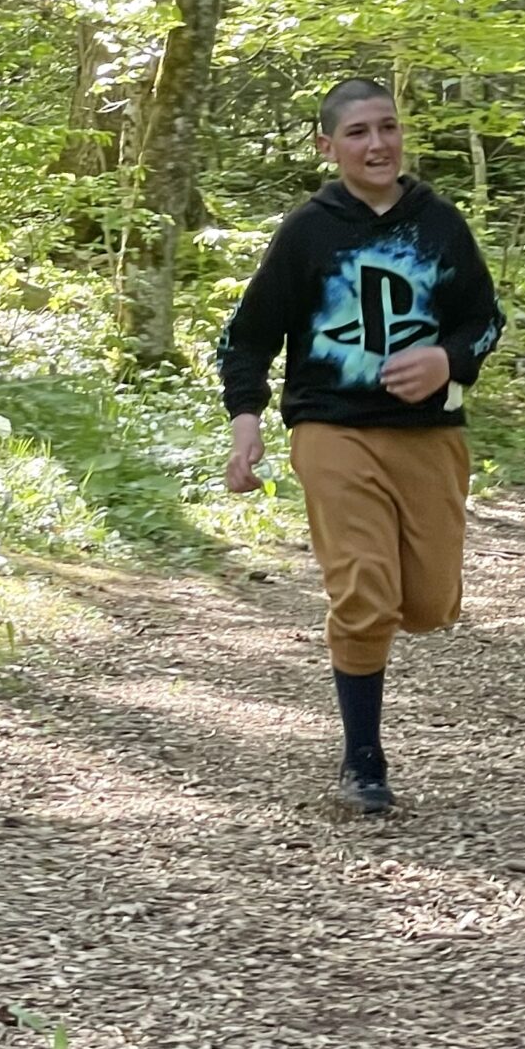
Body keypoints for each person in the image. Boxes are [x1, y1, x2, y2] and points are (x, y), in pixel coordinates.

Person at [218, 79, 504, 815]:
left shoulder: (438, 222)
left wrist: (447, 360)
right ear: (328, 146)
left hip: (429, 433)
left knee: (430, 604)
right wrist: (246, 419)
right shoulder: (308, 231)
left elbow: (483, 319)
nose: (377, 144)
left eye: (388, 127)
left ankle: (370, 706)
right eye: (357, 133)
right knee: (364, 591)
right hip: (331, 426)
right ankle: (363, 760)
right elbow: (248, 337)